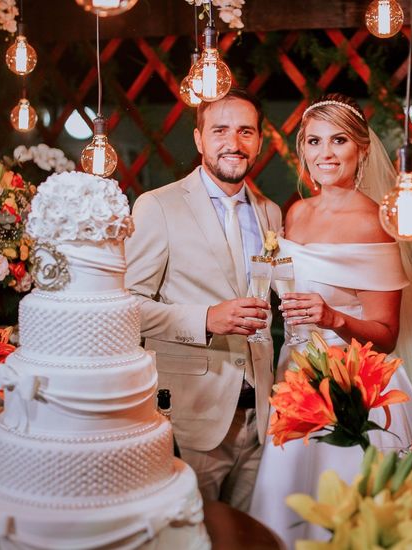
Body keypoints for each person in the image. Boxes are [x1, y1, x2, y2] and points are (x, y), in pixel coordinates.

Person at [248, 93, 412, 545]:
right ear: (302, 149)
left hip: (353, 382)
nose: (325, 154)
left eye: (338, 141)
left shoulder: (374, 222)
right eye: (313, 141)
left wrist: (332, 317)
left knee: (346, 512)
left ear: (362, 149)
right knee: (287, 506)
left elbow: (386, 334)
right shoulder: (296, 213)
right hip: (295, 375)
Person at [124, 87, 282, 512]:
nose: (234, 142)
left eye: (246, 131)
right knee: (191, 534)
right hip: (195, 415)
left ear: (260, 140)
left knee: (249, 537)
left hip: (261, 414)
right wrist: (205, 318)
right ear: (198, 140)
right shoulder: (158, 206)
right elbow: (125, 308)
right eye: (220, 130)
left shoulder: (271, 213)